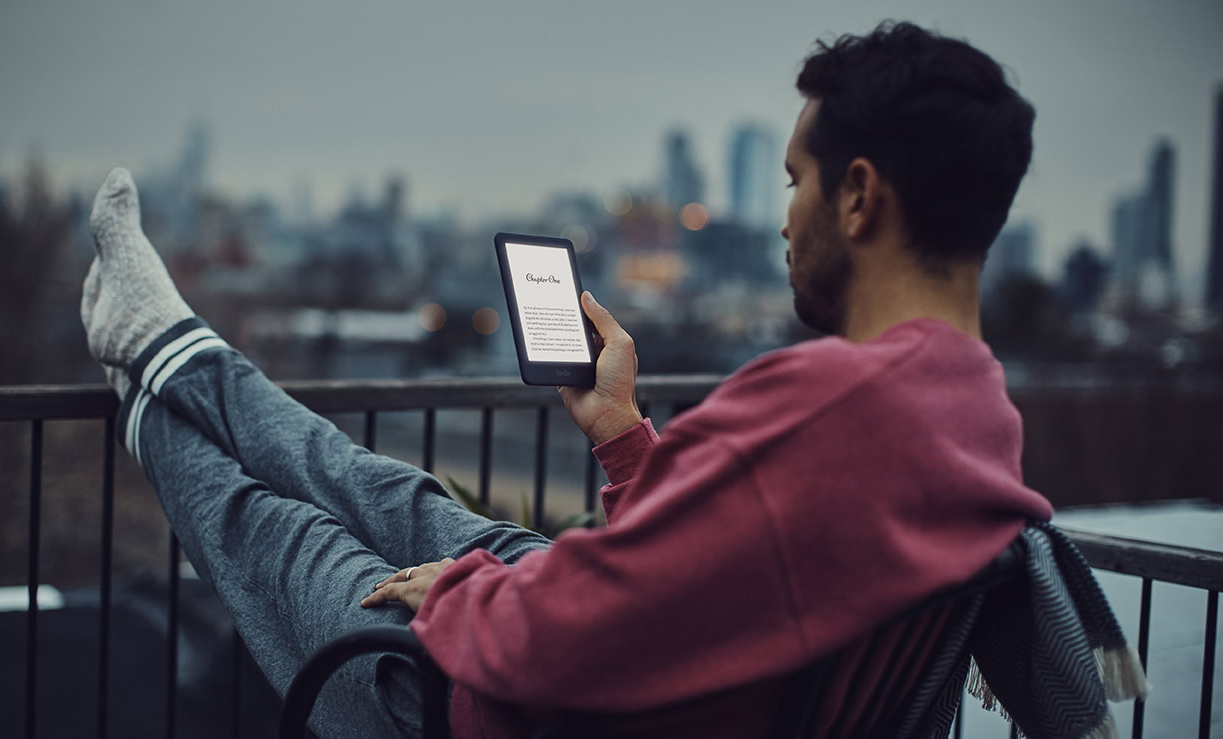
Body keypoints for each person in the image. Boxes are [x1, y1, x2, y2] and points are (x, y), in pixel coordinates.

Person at [80, 21, 1054, 739]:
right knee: (393, 491)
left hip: (487, 708)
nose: (786, 218)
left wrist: (459, 595)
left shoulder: (827, 405)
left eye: (795, 181)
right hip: (647, 678)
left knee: (281, 530)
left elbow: (574, 638)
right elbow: (735, 565)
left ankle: (147, 377)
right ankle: (171, 343)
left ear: (856, 195)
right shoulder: (972, 410)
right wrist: (623, 437)